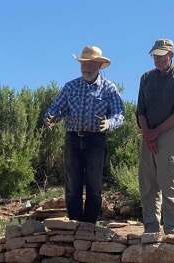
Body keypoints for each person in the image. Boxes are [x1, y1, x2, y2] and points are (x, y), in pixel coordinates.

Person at [44, 45, 125, 224]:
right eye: (83, 63)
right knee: (73, 185)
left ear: (98, 65)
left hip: (96, 140)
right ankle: (75, 225)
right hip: (73, 138)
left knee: (94, 186)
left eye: (90, 63)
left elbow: (119, 113)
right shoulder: (70, 87)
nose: (86, 66)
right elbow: (56, 109)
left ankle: (89, 227)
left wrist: (109, 123)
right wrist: (50, 117)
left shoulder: (108, 88)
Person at [136, 39, 174, 234]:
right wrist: (147, 134)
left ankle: (173, 231)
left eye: (162, 55)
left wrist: (155, 133)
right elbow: (140, 110)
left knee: (168, 184)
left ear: (171, 55)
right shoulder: (146, 78)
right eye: (155, 55)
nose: (158, 59)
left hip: (168, 134)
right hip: (147, 134)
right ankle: (151, 229)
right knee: (148, 185)